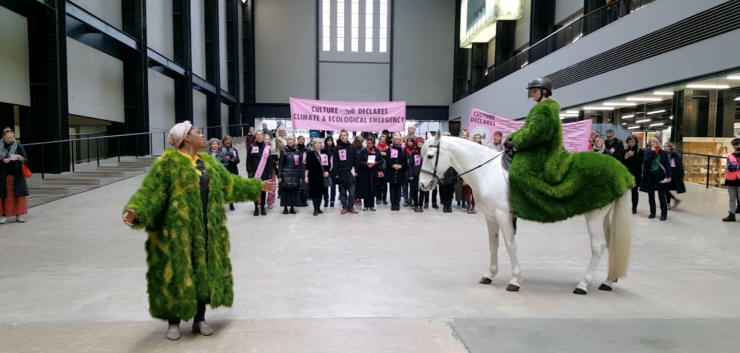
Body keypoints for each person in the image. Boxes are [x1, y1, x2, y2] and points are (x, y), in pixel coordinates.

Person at [122, 121, 277, 341]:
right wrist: (136, 211)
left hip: (207, 229)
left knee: (202, 274)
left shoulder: (208, 164)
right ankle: (173, 322)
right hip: (177, 233)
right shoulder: (168, 163)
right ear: (186, 138)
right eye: (197, 132)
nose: (202, 136)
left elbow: (229, 185)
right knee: (177, 274)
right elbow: (151, 193)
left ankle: (199, 319)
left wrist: (256, 186)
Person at [504, 77, 634, 223]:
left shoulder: (546, 109)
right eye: (531, 91)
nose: (532, 94)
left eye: (534, 91)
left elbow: (537, 133)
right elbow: (527, 129)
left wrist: (516, 141)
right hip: (538, 149)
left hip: (544, 152)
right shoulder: (539, 108)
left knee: (518, 173)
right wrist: (512, 137)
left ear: (544, 91)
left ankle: (526, 208)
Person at [1, 128, 28, 224]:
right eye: (8, 137)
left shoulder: (18, 146)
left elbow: (25, 158)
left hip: (16, 175)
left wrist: (21, 159)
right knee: (4, 196)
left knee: (18, 195)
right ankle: (4, 215)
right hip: (3, 175)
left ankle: (19, 215)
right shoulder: (0, 146)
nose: (10, 139)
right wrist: (3, 161)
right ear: (3, 137)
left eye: (12, 137)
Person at [639, 138, 672, 221]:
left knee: (661, 196)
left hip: (660, 176)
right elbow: (646, 162)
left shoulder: (663, 153)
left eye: (654, 142)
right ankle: (652, 212)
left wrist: (669, 176)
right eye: (651, 142)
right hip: (650, 176)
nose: (652, 143)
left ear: (657, 143)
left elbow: (667, 165)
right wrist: (652, 152)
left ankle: (663, 214)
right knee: (651, 196)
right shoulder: (647, 152)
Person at [247, 130, 274, 216]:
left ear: (263, 136)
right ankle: (256, 208)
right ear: (255, 136)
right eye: (257, 135)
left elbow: (270, 161)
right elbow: (248, 160)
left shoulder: (267, 148)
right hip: (255, 172)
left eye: (260, 135)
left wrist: (270, 172)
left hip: (264, 172)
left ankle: (262, 208)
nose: (259, 136)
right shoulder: (251, 147)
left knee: (263, 191)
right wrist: (249, 171)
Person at [332, 130, 358, 214]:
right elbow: (335, 161)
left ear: (347, 136)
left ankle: (351, 206)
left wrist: (356, 171)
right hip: (341, 174)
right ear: (340, 137)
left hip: (351, 174)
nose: (343, 136)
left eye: (345, 135)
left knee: (352, 193)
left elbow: (356, 160)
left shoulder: (352, 147)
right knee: (342, 193)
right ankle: (344, 207)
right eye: (342, 135)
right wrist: (336, 173)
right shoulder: (337, 148)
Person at [357, 136, 383, 211]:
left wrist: (375, 163)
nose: (368, 145)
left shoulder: (377, 151)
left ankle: (372, 205)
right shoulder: (363, 151)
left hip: (373, 172)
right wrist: (366, 164)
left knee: (373, 189)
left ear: (374, 143)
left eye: (370, 143)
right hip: (365, 173)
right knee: (366, 189)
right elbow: (359, 161)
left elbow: (381, 161)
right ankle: (366, 205)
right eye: (367, 143)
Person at [278, 137, 303, 214]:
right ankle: (285, 208)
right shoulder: (283, 151)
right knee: (285, 191)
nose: (290, 141)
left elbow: (300, 165)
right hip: (285, 174)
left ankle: (292, 207)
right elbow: (280, 165)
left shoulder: (297, 151)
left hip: (295, 174)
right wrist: (279, 176)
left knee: (293, 191)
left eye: (291, 140)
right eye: (288, 140)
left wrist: (301, 176)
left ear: (294, 142)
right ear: (286, 142)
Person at [385, 133, 410, 211]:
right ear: (393, 140)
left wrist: (401, 166)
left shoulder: (403, 150)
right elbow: (387, 159)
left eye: (398, 139)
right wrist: (393, 165)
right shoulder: (389, 149)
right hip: (392, 172)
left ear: (400, 141)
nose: (397, 141)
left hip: (400, 172)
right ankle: (393, 203)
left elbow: (406, 161)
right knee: (392, 188)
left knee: (398, 188)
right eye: (395, 139)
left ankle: (397, 203)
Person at [306, 139, 330, 216]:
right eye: (315, 143)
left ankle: (318, 207)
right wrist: (306, 176)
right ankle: (315, 208)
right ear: (313, 145)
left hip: (322, 175)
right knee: (314, 193)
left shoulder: (325, 153)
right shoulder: (309, 154)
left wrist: (327, 172)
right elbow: (307, 166)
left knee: (320, 192)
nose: (317, 144)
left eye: (319, 143)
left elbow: (328, 165)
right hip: (313, 175)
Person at [621, 135, 644, 214]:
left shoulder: (639, 151)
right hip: (626, 173)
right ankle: (623, 206)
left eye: (632, 142)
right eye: (629, 142)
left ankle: (634, 207)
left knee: (634, 191)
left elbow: (640, 162)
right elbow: (621, 162)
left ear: (635, 142)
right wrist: (625, 158)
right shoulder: (625, 150)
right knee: (623, 191)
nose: (630, 143)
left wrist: (633, 156)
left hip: (636, 174)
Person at [218, 136, 240, 211]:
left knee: (231, 187)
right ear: (223, 142)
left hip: (232, 169)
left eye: (229, 142)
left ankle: (231, 203)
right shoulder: (220, 150)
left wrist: (231, 159)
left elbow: (238, 161)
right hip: (224, 170)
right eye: (226, 142)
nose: (228, 144)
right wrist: (224, 159)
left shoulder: (234, 150)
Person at [663, 142, 685, 210]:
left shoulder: (675, 154)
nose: (664, 147)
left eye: (666, 146)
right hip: (666, 173)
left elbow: (679, 165)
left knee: (666, 188)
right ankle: (673, 201)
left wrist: (681, 175)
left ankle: (668, 204)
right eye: (664, 146)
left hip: (673, 174)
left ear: (670, 147)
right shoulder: (664, 154)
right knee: (665, 189)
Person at [723, 139, 740, 222]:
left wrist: (735, 167)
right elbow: (729, 167)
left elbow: (732, 167)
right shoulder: (730, 156)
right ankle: (731, 214)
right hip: (731, 179)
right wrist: (737, 167)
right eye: (735, 145)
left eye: (738, 145)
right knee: (732, 198)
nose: (736, 147)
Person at [409, 137, 425, 212]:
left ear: (423, 143)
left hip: (423, 174)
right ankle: (416, 205)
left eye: (421, 142)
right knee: (415, 190)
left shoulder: (425, 152)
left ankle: (421, 205)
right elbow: (410, 164)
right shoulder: (413, 152)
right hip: (415, 174)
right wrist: (411, 174)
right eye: (418, 142)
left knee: (422, 190)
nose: (419, 143)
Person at [323, 136, 337, 207]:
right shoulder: (323, 149)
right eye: (328, 140)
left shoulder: (335, 150)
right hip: (325, 170)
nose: (329, 142)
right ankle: (326, 201)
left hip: (333, 171)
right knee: (325, 187)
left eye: (331, 140)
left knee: (333, 187)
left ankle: (332, 201)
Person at [376, 135, 389, 205]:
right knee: (378, 185)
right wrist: (380, 154)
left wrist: (386, 155)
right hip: (377, 169)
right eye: (381, 139)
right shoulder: (376, 148)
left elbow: (389, 156)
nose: (382, 141)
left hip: (385, 169)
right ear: (379, 140)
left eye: (384, 140)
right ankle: (378, 198)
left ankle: (384, 199)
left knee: (385, 185)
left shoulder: (388, 148)